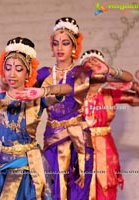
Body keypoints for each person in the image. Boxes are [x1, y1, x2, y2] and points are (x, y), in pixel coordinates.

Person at [0, 36, 72, 200]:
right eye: (8, 68)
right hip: (6, 163)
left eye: (18, 69)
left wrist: (44, 91)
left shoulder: (36, 98)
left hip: (31, 164)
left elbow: (67, 89)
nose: (12, 73)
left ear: (28, 72)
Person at [80, 49, 139, 200]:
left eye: (97, 65)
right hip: (80, 149)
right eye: (89, 65)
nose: (94, 69)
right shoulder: (73, 95)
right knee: (80, 190)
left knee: (105, 190)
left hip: (105, 152)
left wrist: (133, 86)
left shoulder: (109, 94)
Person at [35, 17, 94, 200]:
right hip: (53, 137)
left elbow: (78, 89)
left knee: (79, 189)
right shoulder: (43, 74)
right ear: (51, 47)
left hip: (79, 137)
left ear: (74, 47)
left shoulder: (82, 73)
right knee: (53, 189)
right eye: (56, 43)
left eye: (65, 43)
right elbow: (25, 93)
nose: (60, 48)